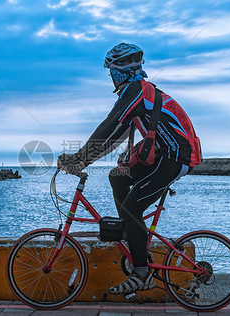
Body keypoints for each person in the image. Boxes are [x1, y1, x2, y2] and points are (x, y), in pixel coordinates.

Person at [58, 42, 201, 295]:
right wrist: (82, 161)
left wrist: (79, 156)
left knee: (131, 207)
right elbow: (114, 136)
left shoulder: (136, 91)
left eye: (111, 72)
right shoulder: (137, 92)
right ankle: (133, 235)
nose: (110, 77)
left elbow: (109, 123)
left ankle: (142, 274)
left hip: (177, 158)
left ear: (119, 71)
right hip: (164, 155)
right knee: (117, 177)